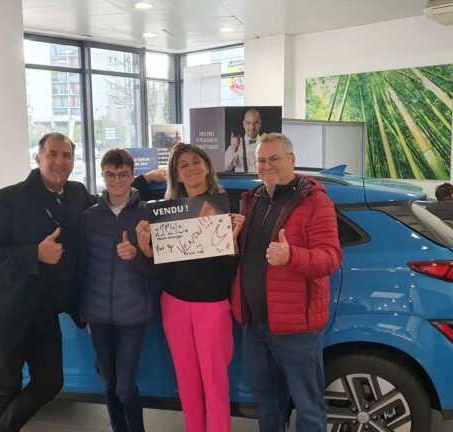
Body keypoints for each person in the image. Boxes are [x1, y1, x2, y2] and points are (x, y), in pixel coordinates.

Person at [0, 133, 163, 432]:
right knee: (6, 388)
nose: (60, 161)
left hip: (44, 312)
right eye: (53, 154)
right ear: (38, 157)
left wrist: (143, 181)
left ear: (73, 161)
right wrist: (34, 253)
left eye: (67, 155)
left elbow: (113, 201)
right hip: (8, 311)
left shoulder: (76, 193)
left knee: (50, 382)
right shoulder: (7, 198)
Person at [231, 133, 342, 432]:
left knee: (308, 408)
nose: (267, 165)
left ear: (292, 160)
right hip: (254, 326)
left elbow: (331, 258)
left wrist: (291, 256)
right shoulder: (252, 200)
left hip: (296, 330)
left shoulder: (315, 201)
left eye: (274, 159)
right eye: (261, 160)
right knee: (266, 405)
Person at [136, 143, 244, 432]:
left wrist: (233, 246)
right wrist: (147, 250)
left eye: (196, 161)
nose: (191, 168)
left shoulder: (225, 210)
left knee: (215, 383)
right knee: (186, 382)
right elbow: (160, 269)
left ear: (207, 166)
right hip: (174, 305)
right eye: (182, 165)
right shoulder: (168, 213)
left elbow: (231, 272)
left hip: (213, 306)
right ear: (177, 175)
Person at [79, 149, 155, 432]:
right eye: (110, 175)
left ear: (132, 176)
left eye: (123, 175)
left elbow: (158, 268)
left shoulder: (147, 214)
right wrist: (82, 310)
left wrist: (136, 255)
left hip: (132, 314)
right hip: (97, 314)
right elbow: (80, 266)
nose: (117, 181)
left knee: (125, 387)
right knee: (108, 384)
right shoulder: (88, 217)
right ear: (103, 176)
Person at [224, 108, 263, 173]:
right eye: (248, 123)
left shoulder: (266, 143)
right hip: (242, 180)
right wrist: (232, 149)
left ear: (260, 124)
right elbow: (225, 167)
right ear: (243, 124)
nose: (252, 127)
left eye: (255, 123)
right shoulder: (236, 144)